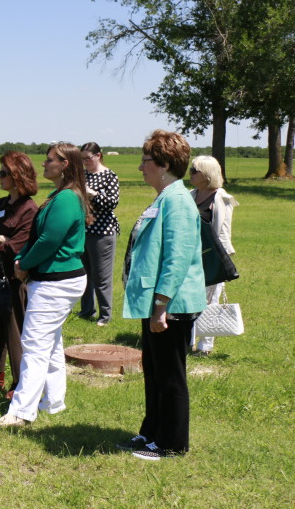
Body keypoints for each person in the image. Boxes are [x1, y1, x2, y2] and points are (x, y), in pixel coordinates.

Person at [119, 130, 206, 460]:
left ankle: (172, 444)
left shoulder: (178, 201)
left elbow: (177, 257)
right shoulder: (164, 197)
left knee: (170, 376)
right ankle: (152, 434)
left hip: (172, 306)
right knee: (154, 372)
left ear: (165, 164)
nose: (141, 167)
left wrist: (161, 306)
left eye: (145, 161)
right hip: (157, 303)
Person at [0, 143, 89, 428]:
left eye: (49, 160)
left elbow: (49, 241)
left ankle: (21, 412)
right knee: (52, 342)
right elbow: (41, 237)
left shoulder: (67, 199)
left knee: (33, 345)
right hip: (55, 279)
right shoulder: (59, 195)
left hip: (56, 282)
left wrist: (23, 264)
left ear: (65, 164)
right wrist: (23, 258)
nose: (43, 165)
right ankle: (53, 401)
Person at [0, 152, 38, 396]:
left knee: (14, 330)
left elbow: (17, 245)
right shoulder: (0, 205)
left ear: (17, 175)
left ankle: (18, 382)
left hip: (14, 277)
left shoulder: (29, 209)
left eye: (4, 173)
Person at [188, 154, 238, 356]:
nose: (190, 173)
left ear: (207, 174)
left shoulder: (221, 198)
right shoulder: (190, 195)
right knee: (189, 299)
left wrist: (221, 260)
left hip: (212, 256)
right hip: (191, 255)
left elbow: (223, 232)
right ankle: (187, 341)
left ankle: (205, 346)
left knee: (210, 300)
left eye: (194, 170)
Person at [79, 142, 120, 326]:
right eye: (83, 159)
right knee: (84, 274)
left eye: (88, 158)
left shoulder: (109, 176)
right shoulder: (83, 175)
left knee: (101, 276)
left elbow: (112, 203)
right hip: (84, 231)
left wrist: (92, 194)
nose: (85, 162)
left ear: (98, 155)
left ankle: (105, 315)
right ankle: (87, 310)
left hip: (103, 232)